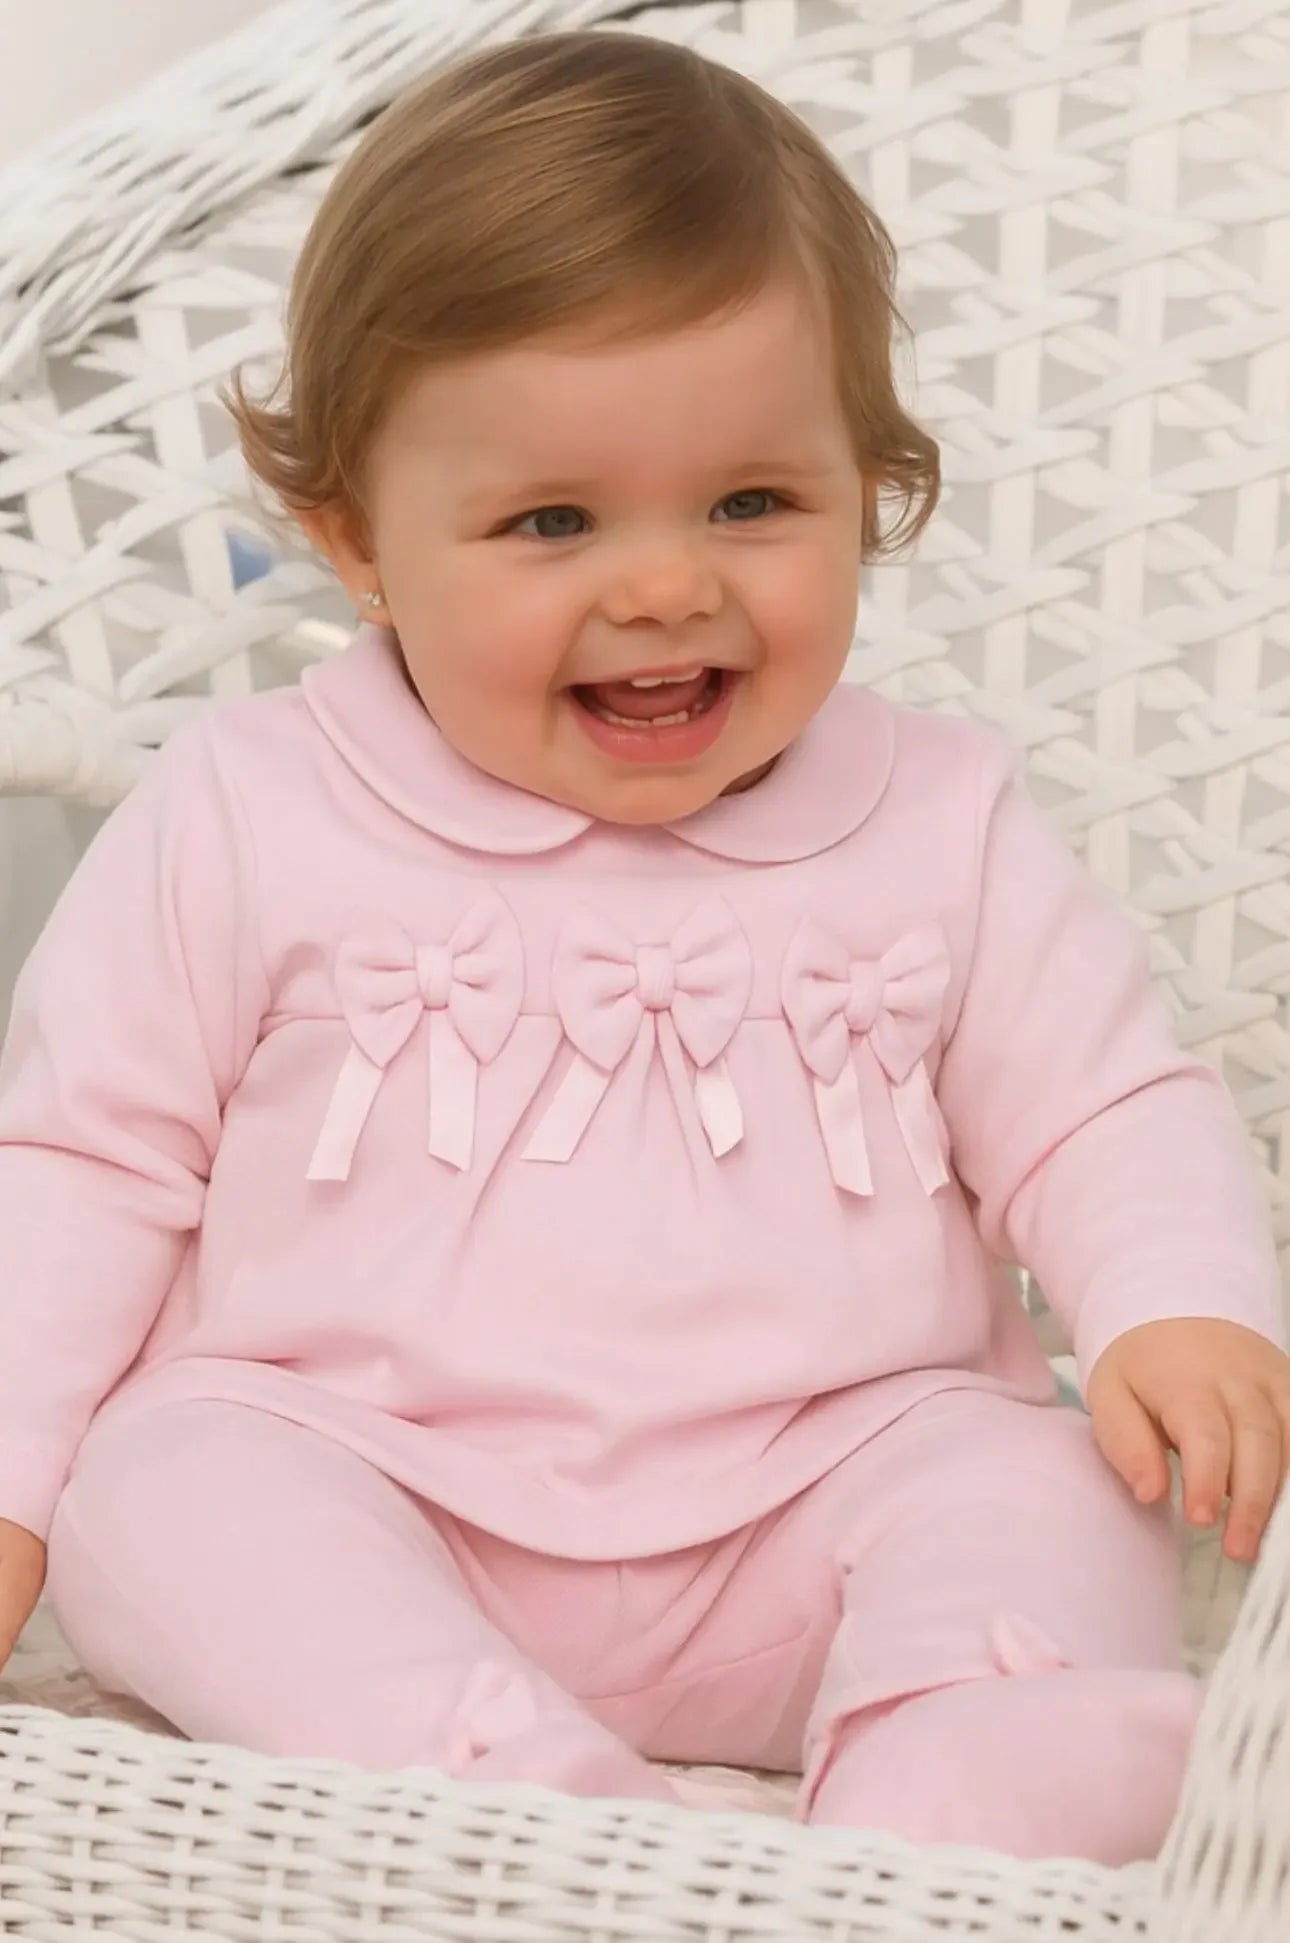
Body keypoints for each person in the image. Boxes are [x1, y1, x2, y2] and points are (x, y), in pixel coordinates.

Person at [0, 30, 1286, 1862]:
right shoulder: (247, 807)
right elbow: (82, 1164)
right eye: (550, 522)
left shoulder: (940, 821)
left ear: (871, 482)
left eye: (753, 503)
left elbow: (1099, 1105)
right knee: (163, 1482)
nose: (668, 584)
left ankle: (967, 1763)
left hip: (822, 1490)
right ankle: (484, 1795)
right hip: (378, 1482)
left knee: (1035, 1470)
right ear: (354, 535)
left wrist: (1179, 1305)